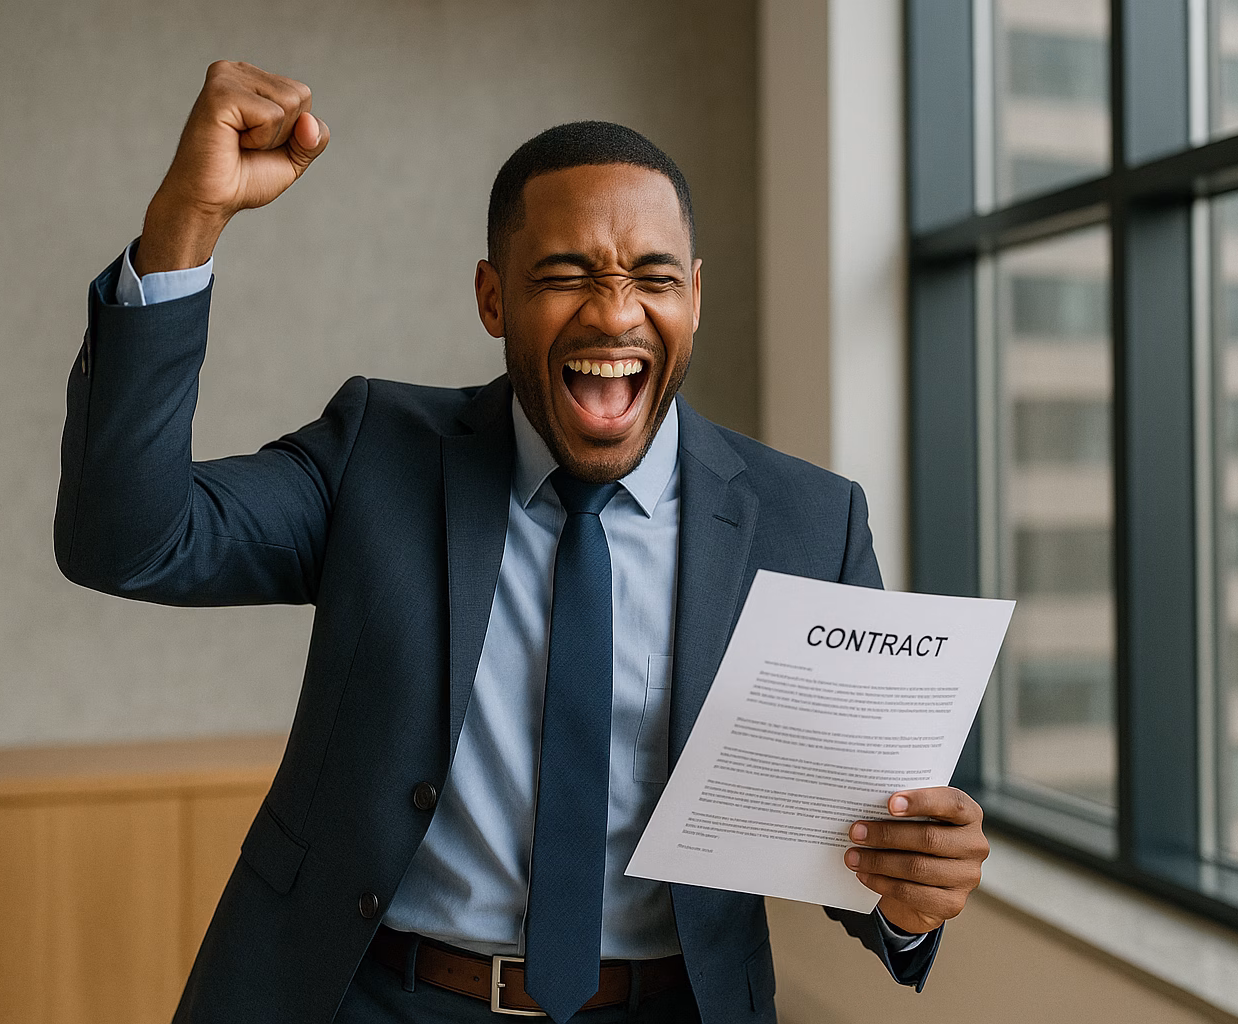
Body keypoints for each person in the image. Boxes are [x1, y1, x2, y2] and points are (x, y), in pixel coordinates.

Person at [55, 60, 989, 1024]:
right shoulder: (377, 454)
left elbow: (867, 829)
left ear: (695, 299)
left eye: (652, 278)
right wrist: (186, 223)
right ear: (493, 300)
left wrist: (911, 898)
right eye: (565, 275)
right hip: (382, 1000)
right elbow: (129, 540)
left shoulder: (808, 522)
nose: (616, 312)